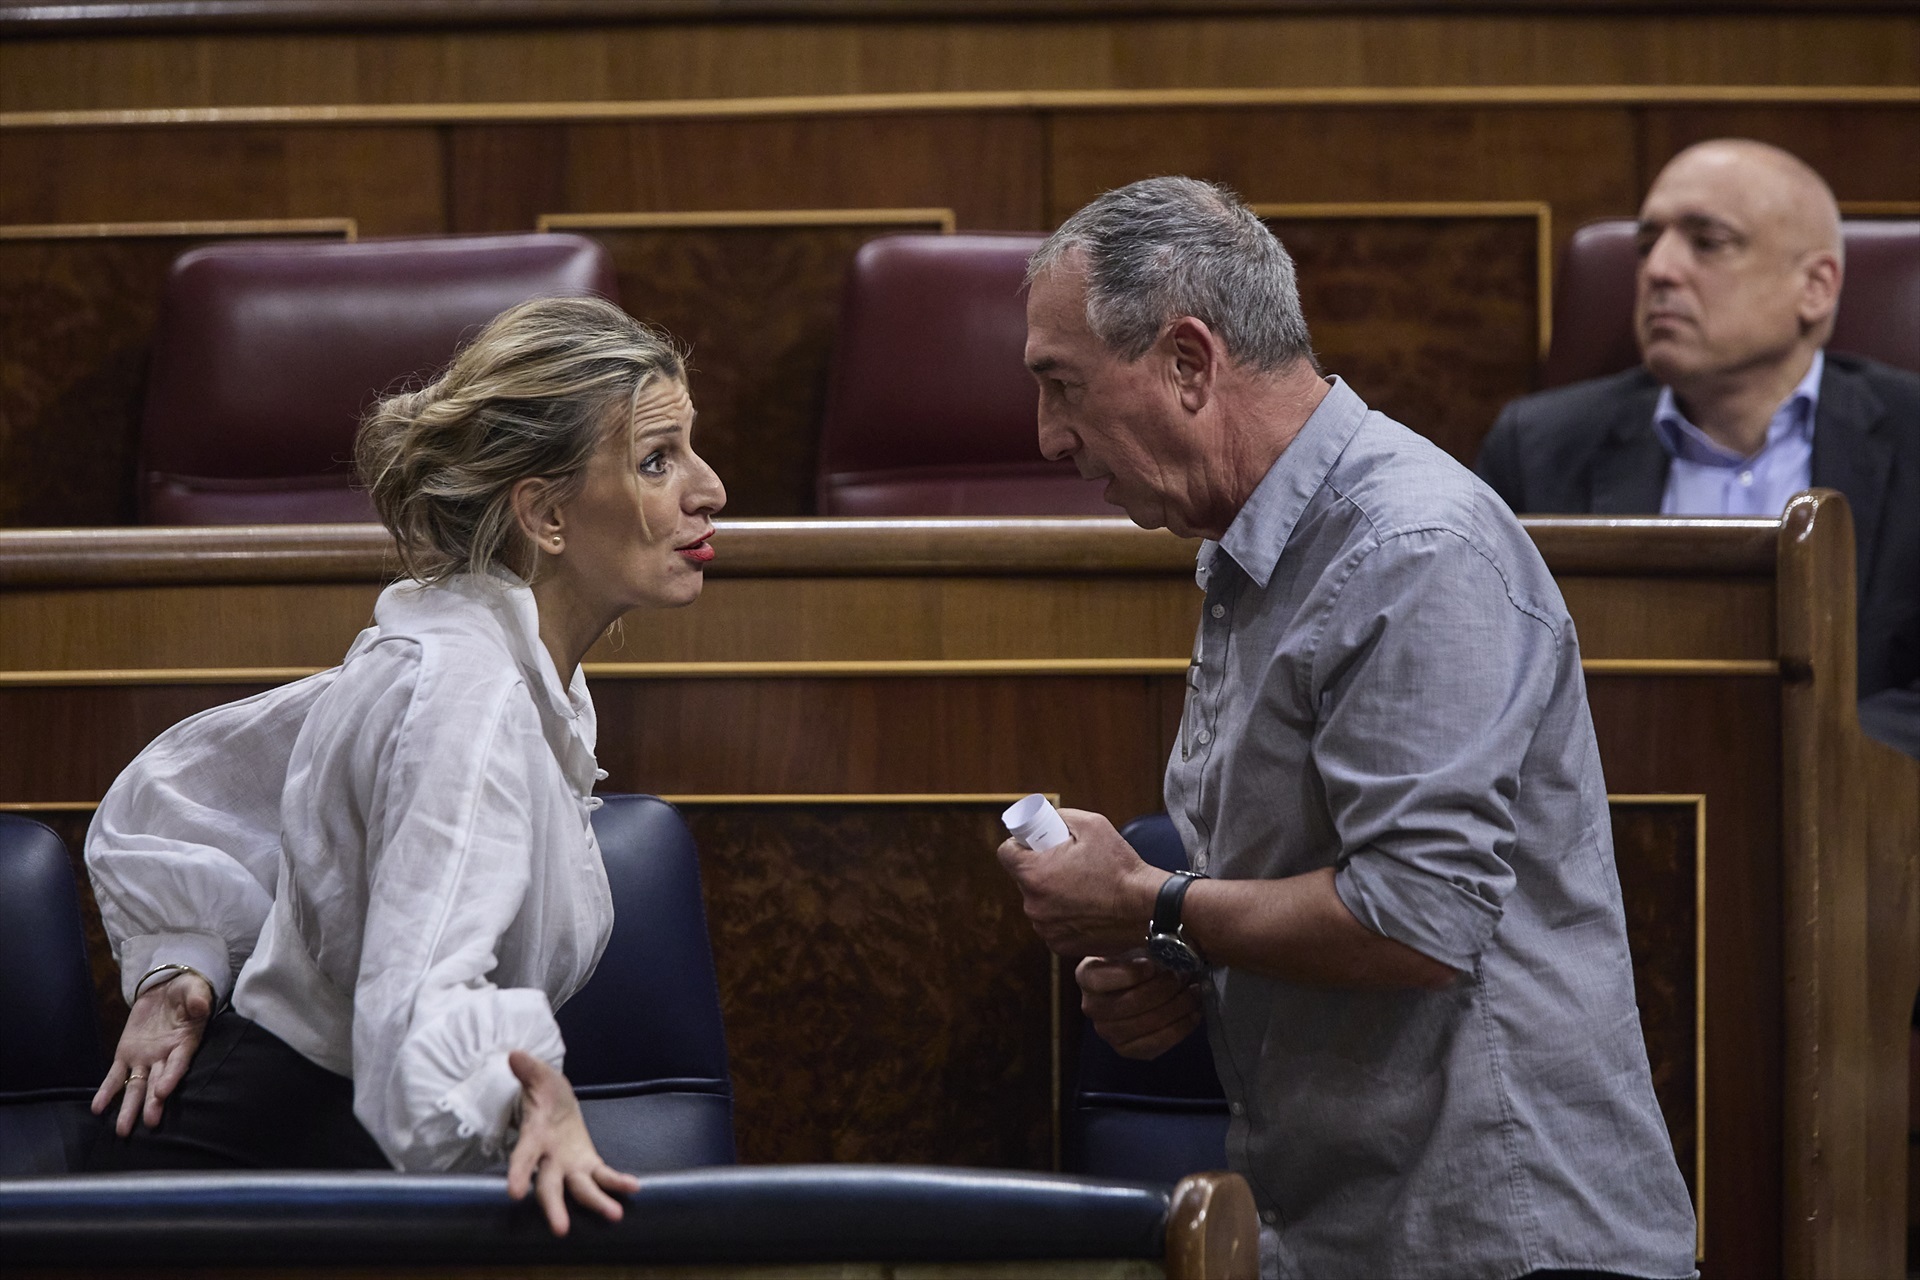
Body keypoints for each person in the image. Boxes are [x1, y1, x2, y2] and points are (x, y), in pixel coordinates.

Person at [996, 177, 1697, 1279]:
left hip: (1501, 1238)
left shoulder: (1412, 548)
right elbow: (1309, 880)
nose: (1047, 437)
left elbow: (1417, 918)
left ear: (1188, 362)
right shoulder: (1259, 550)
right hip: (1345, 1229)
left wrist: (1153, 900)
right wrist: (1168, 954)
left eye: (1062, 385)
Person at [82, 294, 726, 1235]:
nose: (708, 489)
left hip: (312, 1155)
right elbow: (413, 1013)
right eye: (657, 460)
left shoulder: (469, 651)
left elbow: (189, 783)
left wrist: (186, 962)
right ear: (546, 514)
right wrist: (524, 1098)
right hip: (249, 1185)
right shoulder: (468, 698)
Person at [1476, 138, 1920, 755]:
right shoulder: (1539, 447)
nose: (1659, 269)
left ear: (1816, 287)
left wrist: (1805, 757)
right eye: (1646, 244)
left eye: (1707, 242)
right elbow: (1478, 673)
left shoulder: (1910, 435)